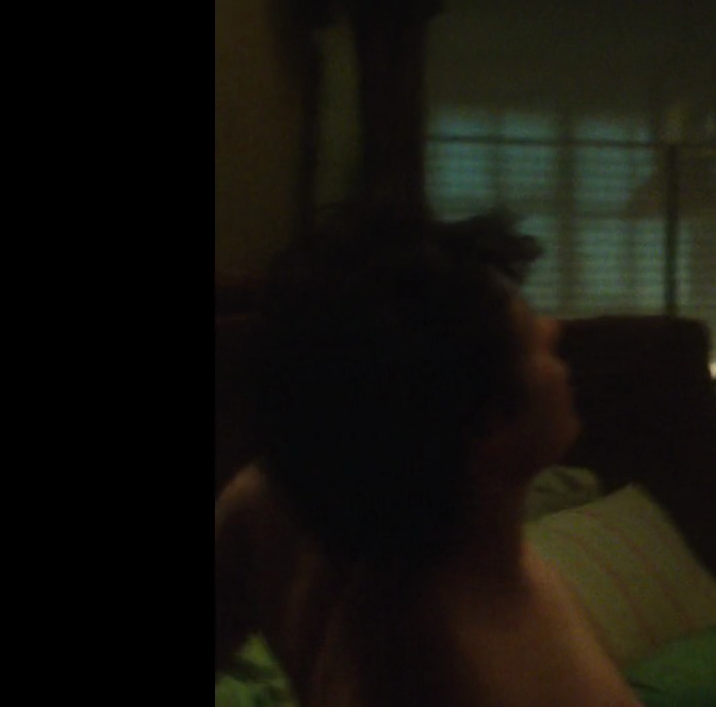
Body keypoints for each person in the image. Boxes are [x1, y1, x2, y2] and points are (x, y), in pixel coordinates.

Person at [213, 210, 643, 707]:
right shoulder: (461, 672)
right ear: (486, 423)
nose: (555, 329)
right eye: (530, 341)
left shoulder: (288, 498)